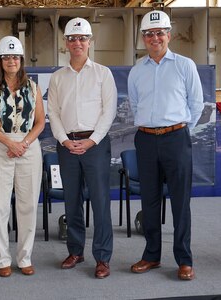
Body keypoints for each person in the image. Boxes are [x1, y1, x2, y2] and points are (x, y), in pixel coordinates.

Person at [128, 10, 204, 281]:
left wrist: (178, 130)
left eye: (160, 33)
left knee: (180, 202)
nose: (154, 38)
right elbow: (136, 105)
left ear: (169, 35)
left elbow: (195, 105)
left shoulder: (185, 65)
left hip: (176, 138)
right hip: (146, 139)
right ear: (143, 39)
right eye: (149, 34)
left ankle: (184, 260)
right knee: (149, 201)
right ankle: (151, 255)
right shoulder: (137, 71)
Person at [47, 17, 117, 279]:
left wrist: (91, 140)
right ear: (65, 43)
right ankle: (75, 250)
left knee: (100, 202)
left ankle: (102, 257)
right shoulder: (57, 78)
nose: (77, 42)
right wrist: (64, 140)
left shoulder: (103, 73)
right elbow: (53, 113)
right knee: (72, 200)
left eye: (82, 38)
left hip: (95, 144)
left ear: (90, 42)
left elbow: (108, 112)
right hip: (66, 145)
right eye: (72, 38)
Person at [0, 36, 45, 277]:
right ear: (0, 60)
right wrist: (9, 142)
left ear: (21, 60)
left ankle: (25, 257)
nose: (11, 61)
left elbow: (40, 122)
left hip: (28, 147)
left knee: (27, 205)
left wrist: (23, 143)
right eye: (6, 57)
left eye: (15, 57)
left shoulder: (33, 87)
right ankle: (1, 260)